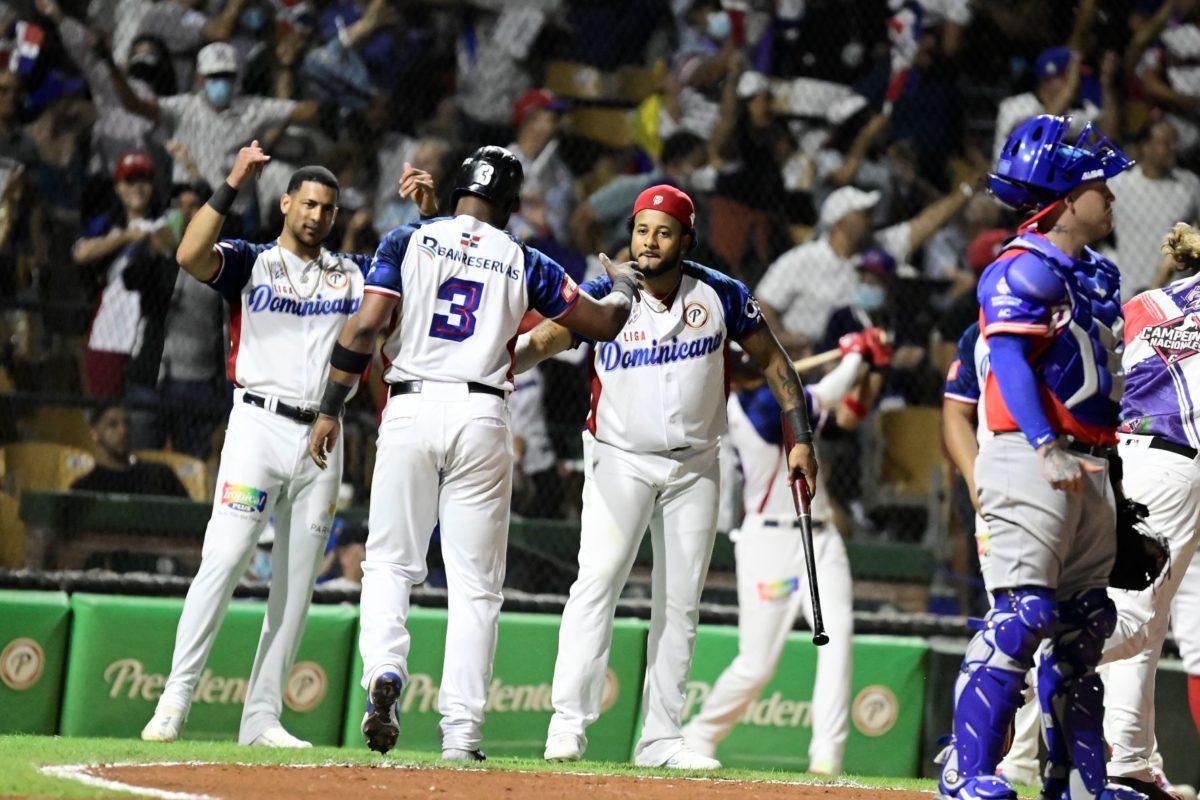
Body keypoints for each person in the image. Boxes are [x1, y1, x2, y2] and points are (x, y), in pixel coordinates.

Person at [307, 145, 640, 761]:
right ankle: (461, 734)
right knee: (477, 588)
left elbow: (364, 325)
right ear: (510, 204)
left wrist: (331, 405)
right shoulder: (523, 256)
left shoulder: (407, 239)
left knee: (389, 564)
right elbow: (600, 323)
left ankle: (385, 667)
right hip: (483, 413)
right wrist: (621, 284)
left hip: (408, 405)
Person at [140, 140, 438, 748]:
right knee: (221, 564)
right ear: (284, 204)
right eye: (308, 204)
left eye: (327, 208)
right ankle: (175, 698)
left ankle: (262, 717)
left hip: (323, 436)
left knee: (296, 586)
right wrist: (230, 182)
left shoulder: (352, 273)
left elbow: (420, 280)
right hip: (256, 425)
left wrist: (429, 218)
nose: (317, 216)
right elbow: (190, 252)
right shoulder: (252, 261)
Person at [514, 184, 819, 769]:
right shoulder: (606, 294)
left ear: (686, 239)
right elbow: (545, 342)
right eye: (641, 231)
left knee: (680, 601)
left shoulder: (721, 293)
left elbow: (776, 362)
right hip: (619, 458)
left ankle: (661, 738)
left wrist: (800, 440)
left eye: (663, 232)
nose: (649, 243)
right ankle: (567, 725)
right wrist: (501, 362)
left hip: (695, 465)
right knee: (597, 583)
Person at [935, 113, 1142, 800]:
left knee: (1086, 628)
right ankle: (965, 772)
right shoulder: (1021, 266)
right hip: (1031, 457)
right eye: (1099, 187)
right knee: (1022, 616)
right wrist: (1044, 443)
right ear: (1064, 196)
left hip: (1090, 462)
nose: (1110, 198)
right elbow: (1013, 360)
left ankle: (1077, 784)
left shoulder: (1093, 273)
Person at [682, 334, 888, 775]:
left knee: (838, 645)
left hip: (822, 535)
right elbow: (826, 393)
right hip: (769, 544)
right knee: (757, 664)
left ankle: (826, 757)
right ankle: (699, 734)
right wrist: (853, 355)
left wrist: (872, 369)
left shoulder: (774, 400)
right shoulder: (752, 409)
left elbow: (847, 414)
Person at [1100, 222, 1200, 799]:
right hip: (1174, 466)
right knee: (1135, 621)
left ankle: (1132, 762)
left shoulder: (1145, 302)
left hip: (1133, 456)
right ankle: (1019, 666)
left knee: (1149, 619)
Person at [756, 181, 974, 346]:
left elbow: (926, 223)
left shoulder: (880, 246)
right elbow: (763, 304)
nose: (872, 219)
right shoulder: (801, 259)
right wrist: (783, 338)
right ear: (840, 222)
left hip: (859, 353)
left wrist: (966, 190)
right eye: (863, 214)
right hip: (807, 353)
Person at [1110, 120, 1200, 294]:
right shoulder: (1119, 186)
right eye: (1166, 143)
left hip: (1177, 291)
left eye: (1175, 142)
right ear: (1145, 146)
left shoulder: (1190, 183)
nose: (1173, 148)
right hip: (1130, 289)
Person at [70, 402, 189, 497]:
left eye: (127, 423)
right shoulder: (84, 488)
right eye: (112, 425)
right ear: (95, 434)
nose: (123, 431)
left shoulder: (161, 476)